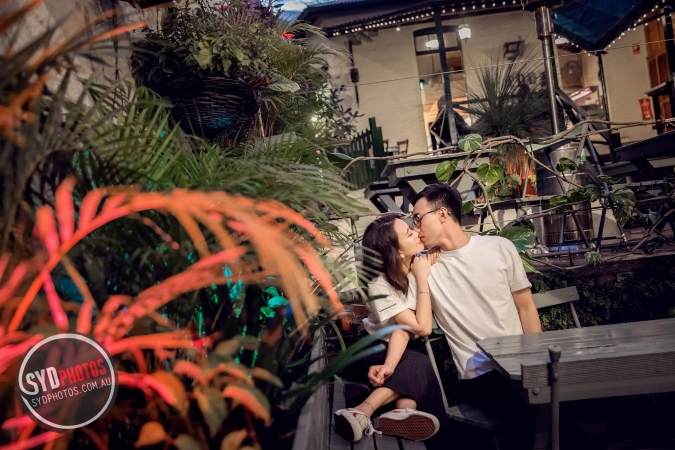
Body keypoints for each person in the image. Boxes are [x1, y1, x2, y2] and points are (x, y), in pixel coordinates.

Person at [410, 183, 542, 416]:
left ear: (442, 214)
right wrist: (421, 277)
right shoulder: (424, 268)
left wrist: (537, 362)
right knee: (530, 410)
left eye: (418, 218)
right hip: (480, 375)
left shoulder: (499, 247)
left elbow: (526, 307)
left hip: (522, 364)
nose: (415, 227)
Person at [333, 215, 447, 443]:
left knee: (415, 362)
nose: (416, 232)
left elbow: (404, 331)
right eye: (409, 233)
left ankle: (401, 412)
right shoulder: (379, 285)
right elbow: (422, 327)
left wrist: (433, 254)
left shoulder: (417, 262)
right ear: (398, 252)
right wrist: (422, 280)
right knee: (418, 363)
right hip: (374, 346)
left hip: (402, 342)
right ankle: (363, 411)